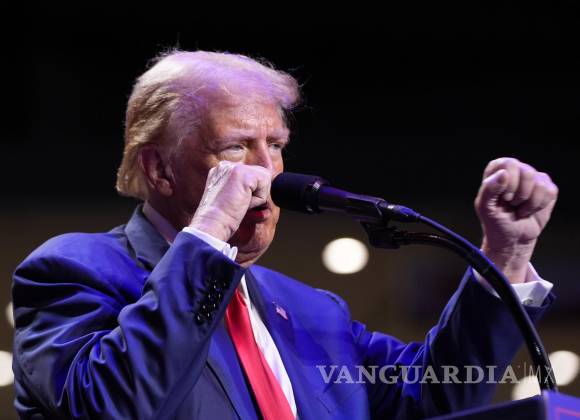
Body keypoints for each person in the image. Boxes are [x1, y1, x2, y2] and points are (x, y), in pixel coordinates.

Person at [12, 50, 558, 420]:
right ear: (160, 170)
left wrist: (505, 254)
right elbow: (112, 406)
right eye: (235, 147)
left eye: (275, 146)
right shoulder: (75, 269)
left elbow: (436, 397)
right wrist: (209, 233)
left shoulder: (314, 312)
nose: (266, 172)